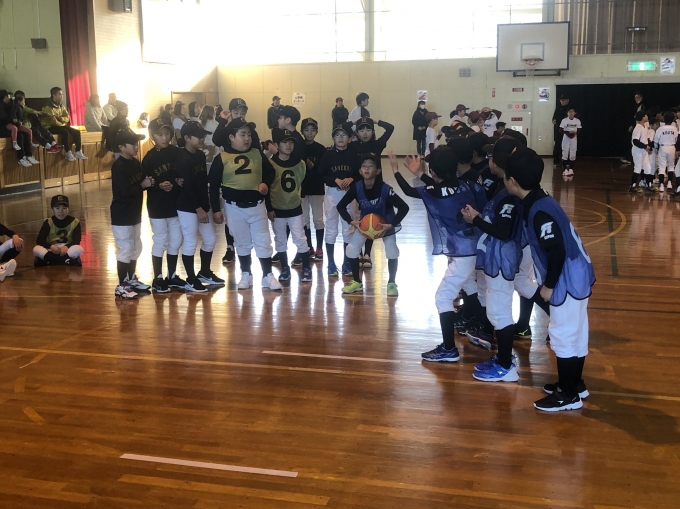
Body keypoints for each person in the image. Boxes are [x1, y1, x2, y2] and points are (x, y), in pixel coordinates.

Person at [505, 147, 595, 411]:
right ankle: (574, 384)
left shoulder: (539, 211)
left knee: (563, 334)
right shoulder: (540, 199)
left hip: (567, 279)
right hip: (578, 274)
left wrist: (548, 286)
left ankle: (568, 396)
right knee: (576, 331)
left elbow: (556, 251)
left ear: (512, 181)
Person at [394, 147, 478, 362]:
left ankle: (449, 349)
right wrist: (421, 174)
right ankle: (480, 326)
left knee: (443, 297)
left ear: (433, 171)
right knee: (471, 286)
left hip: (462, 252)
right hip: (474, 246)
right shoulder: (465, 184)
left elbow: (410, 191)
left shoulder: (433, 191)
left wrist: (396, 171)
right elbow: (441, 186)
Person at [208, 118, 281, 291]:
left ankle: (267, 275)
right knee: (241, 242)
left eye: (249, 134)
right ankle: (246, 273)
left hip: (257, 206)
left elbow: (270, 172)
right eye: (242, 134)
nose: (247, 138)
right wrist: (216, 209)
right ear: (231, 137)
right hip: (233, 208)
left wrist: (265, 183)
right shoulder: (222, 158)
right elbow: (214, 185)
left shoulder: (257, 153)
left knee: (263, 240)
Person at [338, 154, 409, 296]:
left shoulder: (386, 189)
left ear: (378, 171)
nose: (367, 168)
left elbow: (404, 207)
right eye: (364, 166)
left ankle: (392, 283)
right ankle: (357, 282)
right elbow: (340, 206)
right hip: (366, 224)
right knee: (351, 249)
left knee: (392, 251)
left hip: (385, 225)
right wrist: (351, 221)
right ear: (360, 171)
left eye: (371, 166)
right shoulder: (356, 188)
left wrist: (392, 224)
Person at [175, 121, 224, 292]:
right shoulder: (182, 158)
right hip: (187, 206)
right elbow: (187, 186)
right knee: (190, 241)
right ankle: (190, 279)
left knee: (210, 239)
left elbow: (202, 182)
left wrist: (207, 205)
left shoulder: (200, 155)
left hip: (202, 205)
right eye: (198, 136)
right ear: (187, 138)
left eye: (203, 135)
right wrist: (198, 208)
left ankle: (204, 272)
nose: (202, 138)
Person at [142, 118, 185, 292]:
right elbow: (144, 183)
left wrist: (177, 181)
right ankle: (158, 277)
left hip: (175, 203)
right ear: (153, 136)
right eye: (160, 134)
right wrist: (158, 185)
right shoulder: (149, 158)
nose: (165, 137)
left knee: (176, 240)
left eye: (167, 133)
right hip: (157, 205)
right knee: (160, 240)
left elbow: (182, 173)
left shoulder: (177, 152)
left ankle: (172, 275)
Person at [267, 128, 312, 282]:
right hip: (277, 209)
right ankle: (285, 268)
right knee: (280, 239)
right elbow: (267, 188)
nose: (288, 145)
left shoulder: (300, 164)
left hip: (294, 207)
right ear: (276, 145)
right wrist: (269, 208)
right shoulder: (271, 164)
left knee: (300, 237)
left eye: (291, 142)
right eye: (284, 142)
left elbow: (301, 182)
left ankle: (306, 267)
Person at [110, 130, 150, 299]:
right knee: (125, 248)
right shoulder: (118, 167)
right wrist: (142, 185)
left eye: (137, 143)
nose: (136, 146)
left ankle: (131, 278)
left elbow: (142, 182)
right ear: (121, 147)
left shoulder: (135, 163)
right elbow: (123, 192)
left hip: (134, 213)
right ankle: (122, 285)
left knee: (136, 246)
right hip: (121, 215)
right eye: (132, 143)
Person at [351, 115, 396, 267]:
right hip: (358, 189)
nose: (365, 133)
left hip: (375, 188)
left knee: (372, 220)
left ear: (373, 131)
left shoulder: (377, 145)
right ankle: (358, 251)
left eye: (368, 129)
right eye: (361, 130)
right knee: (359, 219)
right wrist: (355, 121)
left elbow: (390, 128)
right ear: (356, 132)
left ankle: (367, 254)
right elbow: (343, 128)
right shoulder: (353, 146)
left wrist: (375, 120)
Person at [317, 122, 359, 277]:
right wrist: (335, 180)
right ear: (333, 138)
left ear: (350, 138)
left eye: (344, 135)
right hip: (332, 193)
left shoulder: (353, 155)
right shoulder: (328, 155)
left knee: (348, 228)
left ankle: (346, 262)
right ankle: (331, 263)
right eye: (337, 135)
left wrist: (351, 178)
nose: (341, 138)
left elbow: (359, 175)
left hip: (349, 194)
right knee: (331, 228)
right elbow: (321, 175)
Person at [300, 117, 327, 260]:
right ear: (302, 131)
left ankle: (319, 248)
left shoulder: (321, 149)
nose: (309, 133)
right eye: (306, 130)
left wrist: (313, 166)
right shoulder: (298, 148)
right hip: (303, 189)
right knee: (304, 219)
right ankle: (309, 246)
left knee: (318, 219)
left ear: (316, 132)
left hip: (317, 188)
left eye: (312, 130)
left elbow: (324, 170)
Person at [33, 195, 84, 266]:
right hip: (52, 249)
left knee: (79, 249)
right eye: (57, 208)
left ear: (68, 209)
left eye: (64, 208)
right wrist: (51, 246)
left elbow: (76, 241)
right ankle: (66, 260)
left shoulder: (75, 222)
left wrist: (67, 246)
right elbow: (39, 240)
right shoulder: (48, 222)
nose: (61, 211)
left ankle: (49, 260)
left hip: (67, 249)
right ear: (52, 209)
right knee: (36, 249)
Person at [41, 87, 87, 162]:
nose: (62, 96)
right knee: (65, 132)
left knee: (76, 132)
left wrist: (60, 119)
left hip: (60, 125)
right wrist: (62, 122)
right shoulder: (47, 107)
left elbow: (67, 117)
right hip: (49, 127)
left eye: (62, 94)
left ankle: (78, 151)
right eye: (59, 94)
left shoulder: (61, 105)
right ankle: (67, 152)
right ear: (54, 95)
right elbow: (53, 122)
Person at [1, 90, 38, 167]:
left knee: (26, 134)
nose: (10, 97)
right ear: (5, 97)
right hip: (3, 128)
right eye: (8, 96)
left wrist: (17, 121)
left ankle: (29, 155)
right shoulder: (1, 106)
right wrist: (15, 120)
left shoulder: (10, 104)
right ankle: (21, 158)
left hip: (13, 125)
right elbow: (4, 118)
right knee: (20, 136)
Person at [655, 112, 679, 193]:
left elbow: (656, 140)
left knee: (662, 167)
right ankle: (669, 183)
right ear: (672, 119)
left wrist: (656, 148)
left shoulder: (660, 129)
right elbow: (676, 139)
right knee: (671, 166)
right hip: (672, 147)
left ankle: (661, 185)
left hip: (663, 147)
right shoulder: (675, 128)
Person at [629, 111, 651, 193]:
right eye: (646, 115)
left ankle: (649, 185)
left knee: (647, 167)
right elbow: (635, 141)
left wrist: (648, 146)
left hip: (643, 150)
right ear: (643, 117)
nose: (647, 116)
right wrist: (645, 146)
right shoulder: (638, 127)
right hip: (638, 150)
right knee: (638, 167)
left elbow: (646, 139)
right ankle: (632, 186)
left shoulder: (644, 127)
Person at [623, 91, 646, 164]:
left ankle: (631, 159)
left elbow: (638, 117)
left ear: (640, 98)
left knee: (636, 141)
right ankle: (630, 157)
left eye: (637, 98)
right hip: (637, 126)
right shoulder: (637, 106)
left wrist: (633, 125)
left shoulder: (642, 106)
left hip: (638, 126)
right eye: (635, 98)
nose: (635, 99)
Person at [559, 107, 582, 176]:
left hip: (574, 138)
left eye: (572, 112)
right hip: (566, 138)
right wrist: (568, 133)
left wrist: (574, 133)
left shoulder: (577, 121)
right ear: (567, 113)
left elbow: (579, 129)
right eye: (569, 112)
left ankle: (571, 169)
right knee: (565, 152)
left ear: (575, 113)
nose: (571, 113)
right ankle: (565, 170)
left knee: (573, 153)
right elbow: (560, 129)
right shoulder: (564, 120)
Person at [552, 94, 570, 167]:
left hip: (568, 129)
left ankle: (567, 161)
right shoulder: (558, 108)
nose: (562, 102)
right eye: (561, 100)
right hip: (559, 129)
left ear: (567, 100)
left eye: (564, 100)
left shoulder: (570, 108)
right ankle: (556, 161)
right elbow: (554, 118)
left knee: (567, 145)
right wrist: (554, 120)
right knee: (558, 145)